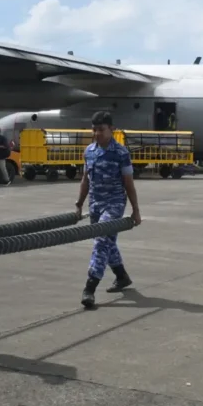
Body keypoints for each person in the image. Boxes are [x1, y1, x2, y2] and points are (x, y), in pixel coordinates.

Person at [75, 111, 141, 308]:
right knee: (107, 242)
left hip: (114, 204)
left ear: (112, 129)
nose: (97, 134)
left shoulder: (121, 153)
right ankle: (121, 276)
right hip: (95, 204)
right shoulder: (89, 151)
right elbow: (85, 180)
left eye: (101, 130)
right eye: (94, 130)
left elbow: (128, 183)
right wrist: (79, 204)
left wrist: (136, 209)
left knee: (102, 241)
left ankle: (90, 287)